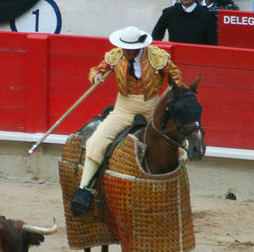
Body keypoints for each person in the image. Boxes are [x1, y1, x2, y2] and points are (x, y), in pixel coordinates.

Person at [70, 25, 183, 215]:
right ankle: (84, 190)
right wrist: (96, 76)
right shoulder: (116, 55)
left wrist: (172, 95)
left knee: (177, 145)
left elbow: (175, 76)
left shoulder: (157, 56)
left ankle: (176, 188)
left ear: (139, 47)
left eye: (130, 49)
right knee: (96, 141)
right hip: (123, 108)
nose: (126, 52)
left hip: (151, 109)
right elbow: (97, 68)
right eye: (124, 48)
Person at [151, 0, 218, 45]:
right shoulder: (169, 13)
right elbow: (156, 36)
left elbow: (212, 41)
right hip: (175, 54)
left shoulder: (207, 15)